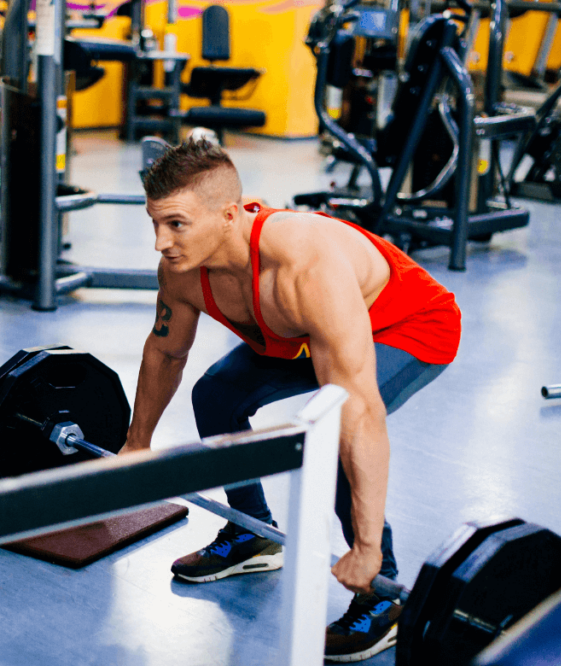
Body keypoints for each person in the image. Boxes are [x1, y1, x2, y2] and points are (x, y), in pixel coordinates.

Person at [118, 139, 461, 662]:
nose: (161, 242)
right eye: (155, 223)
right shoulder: (181, 270)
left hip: (406, 325)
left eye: (177, 224)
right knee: (216, 394)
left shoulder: (303, 266)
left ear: (228, 215)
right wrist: (136, 444)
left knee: (337, 432)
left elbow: (357, 411)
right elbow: (166, 355)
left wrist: (364, 547)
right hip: (300, 331)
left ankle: (380, 592)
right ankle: (253, 533)